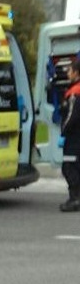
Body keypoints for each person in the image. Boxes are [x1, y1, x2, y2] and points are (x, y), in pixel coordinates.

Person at [58, 56, 80, 212]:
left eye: (69, 70)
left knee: (69, 166)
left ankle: (75, 199)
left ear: (76, 73)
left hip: (74, 137)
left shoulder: (74, 92)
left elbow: (72, 115)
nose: (67, 73)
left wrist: (63, 132)